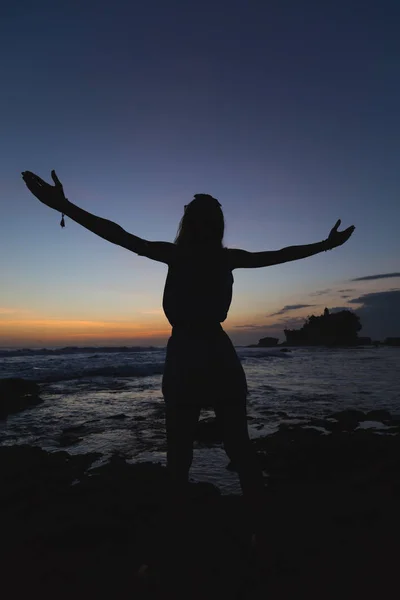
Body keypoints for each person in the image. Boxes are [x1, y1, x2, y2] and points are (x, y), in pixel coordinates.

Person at [21, 170, 355, 513]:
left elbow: (118, 235)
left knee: (180, 448)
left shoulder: (178, 255)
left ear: (188, 223)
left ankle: (180, 524)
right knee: (237, 444)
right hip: (217, 350)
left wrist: (64, 206)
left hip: (186, 352)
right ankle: (258, 519)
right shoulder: (226, 258)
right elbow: (279, 254)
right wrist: (325, 245)